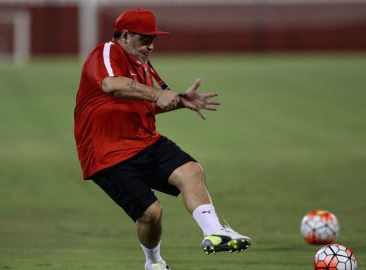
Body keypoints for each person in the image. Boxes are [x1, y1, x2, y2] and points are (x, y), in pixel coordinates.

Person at [74, 8, 251, 270]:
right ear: (125, 35)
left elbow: (141, 104)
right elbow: (111, 85)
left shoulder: (142, 66)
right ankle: (154, 263)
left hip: (144, 141)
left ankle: (216, 233)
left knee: (191, 171)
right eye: (145, 39)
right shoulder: (107, 53)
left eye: (153, 40)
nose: (151, 46)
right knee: (151, 213)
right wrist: (157, 94)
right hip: (107, 154)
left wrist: (179, 101)